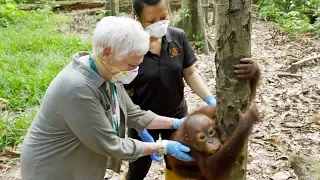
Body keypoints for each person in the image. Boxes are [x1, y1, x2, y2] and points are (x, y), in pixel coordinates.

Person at [20, 16, 195, 180]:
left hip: (81, 166)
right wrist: (161, 146)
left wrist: (174, 123)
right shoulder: (78, 89)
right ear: (107, 52)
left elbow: (134, 114)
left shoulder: (108, 73)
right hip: (53, 170)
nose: (135, 71)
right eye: (131, 65)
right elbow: (111, 145)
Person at [123, 0, 260, 179]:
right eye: (151, 21)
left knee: (176, 162)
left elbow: (191, 74)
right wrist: (138, 125)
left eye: (163, 17)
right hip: (144, 119)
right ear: (136, 18)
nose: (159, 23)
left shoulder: (177, 37)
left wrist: (210, 99)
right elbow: (122, 94)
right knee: (139, 166)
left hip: (177, 117)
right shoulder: (129, 49)